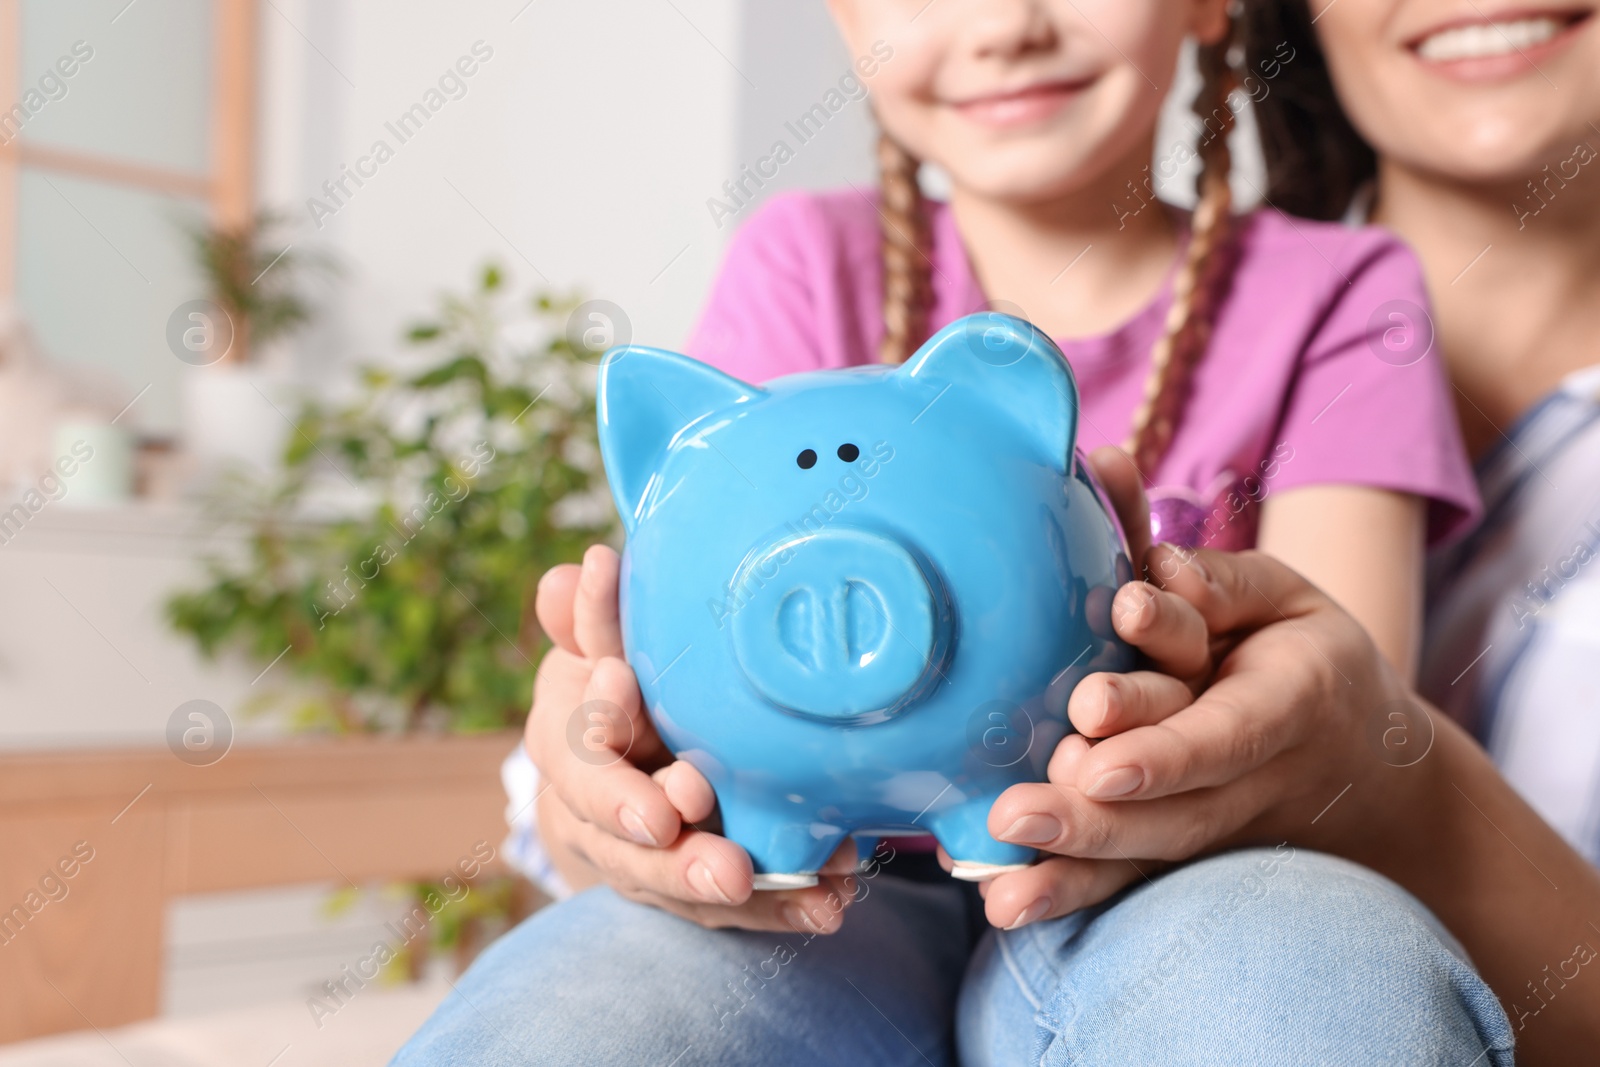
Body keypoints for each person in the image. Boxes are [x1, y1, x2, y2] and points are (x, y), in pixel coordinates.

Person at [394, 0, 1518, 1063]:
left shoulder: (1341, 292)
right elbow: (670, 623)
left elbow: (1329, 717)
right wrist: (601, 790)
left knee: (1305, 975)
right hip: (816, 891)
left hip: (1190, 866)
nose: (1003, 25)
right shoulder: (801, 262)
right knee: (577, 1011)